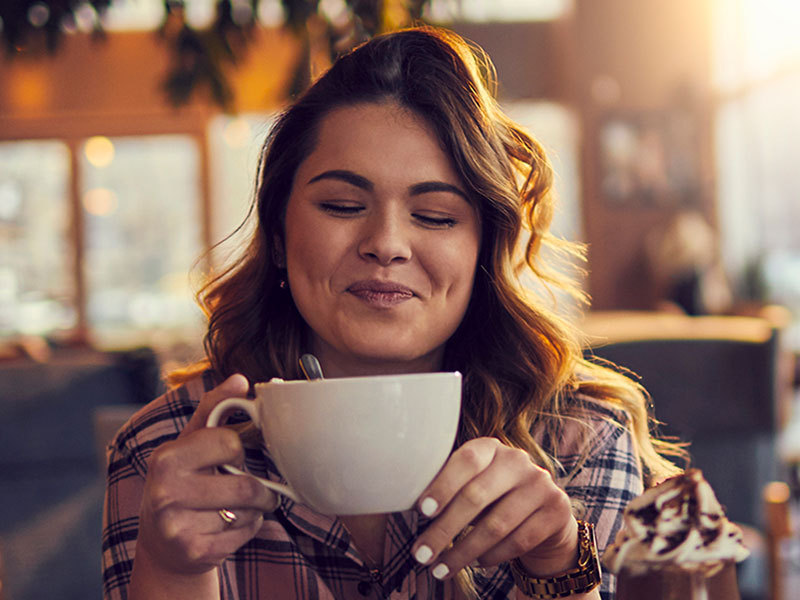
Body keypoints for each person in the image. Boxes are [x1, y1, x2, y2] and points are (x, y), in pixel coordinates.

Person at [102, 26, 683, 600]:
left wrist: (559, 564)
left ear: (486, 248)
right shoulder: (168, 453)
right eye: (342, 205)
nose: (387, 243)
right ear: (278, 234)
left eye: (434, 216)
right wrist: (173, 571)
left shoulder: (578, 443)